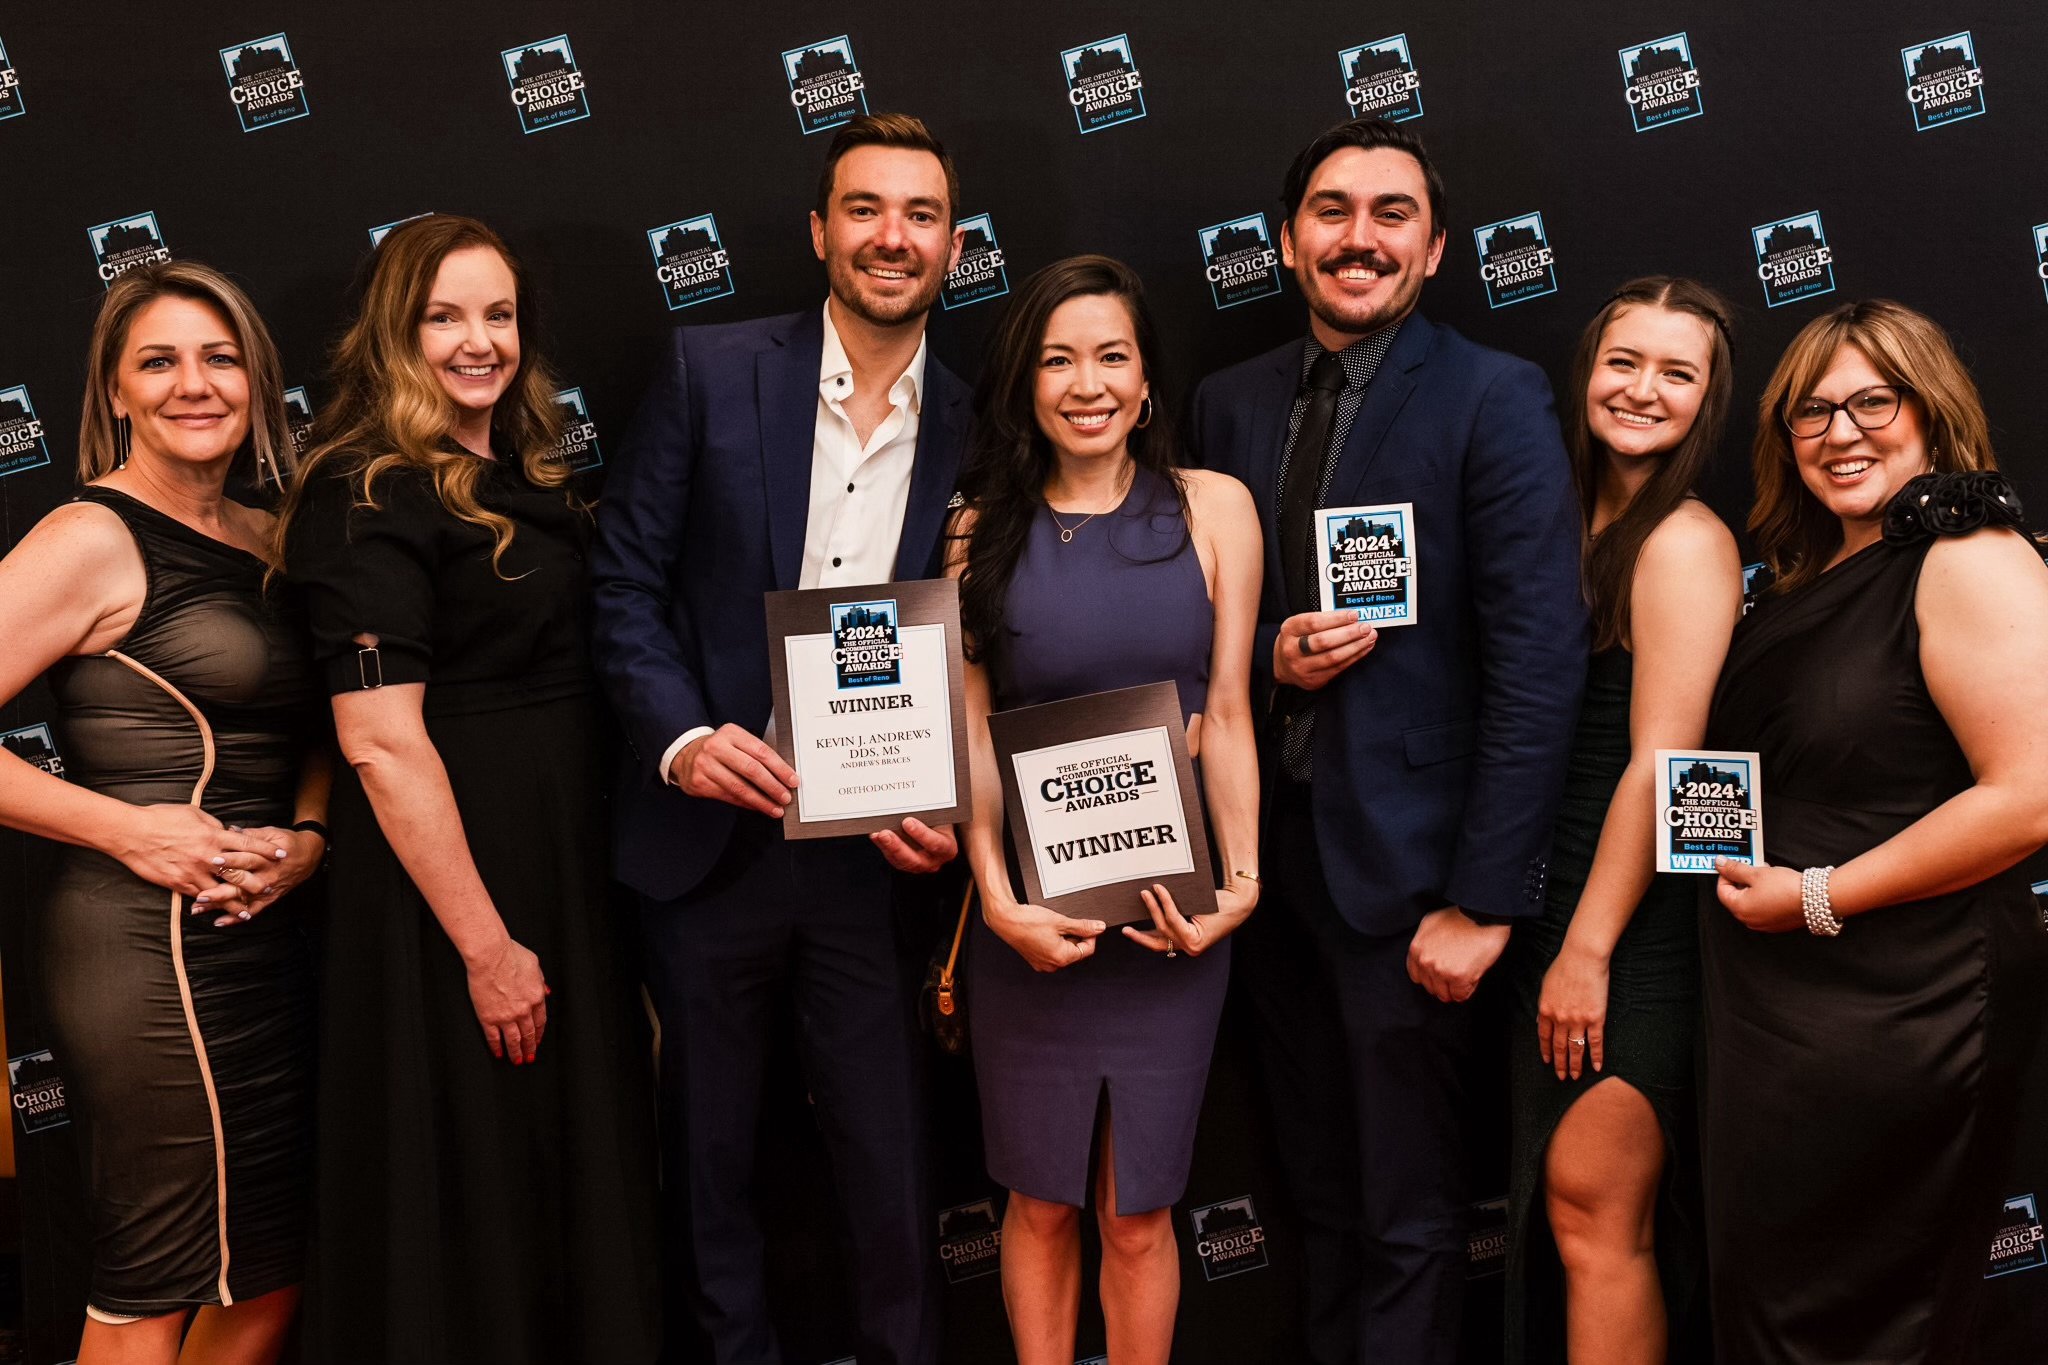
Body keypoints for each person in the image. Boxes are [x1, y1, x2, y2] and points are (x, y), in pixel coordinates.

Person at [1188, 116, 1589, 1365]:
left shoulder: (1491, 395)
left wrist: (1483, 901)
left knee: (1410, 1212)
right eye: (1329, 211)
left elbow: (1536, 661)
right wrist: (1265, 662)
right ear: (1286, 239)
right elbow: (1190, 624)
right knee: (1310, 1191)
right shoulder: (1223, 400)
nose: (1356, 237)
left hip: (1412, 880)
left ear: (1433, 250)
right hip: (1263, 870)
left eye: (1389, 214)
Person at [589, 113, 969, 1364]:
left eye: (917, 215)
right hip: (709, 845)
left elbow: (989, 646)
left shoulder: (976, 425)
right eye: (864, 209)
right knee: (709, 1164)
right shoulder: (710, 372)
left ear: (953, 248)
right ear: (818, 232)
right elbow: (624, 587)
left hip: (874, 857)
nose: (890, 236)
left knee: (890, 1163)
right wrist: (684, 738)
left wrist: (950, 803)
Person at [277, 214, 659, 1364]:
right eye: (442, 316)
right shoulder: (367, 489)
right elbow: (382, 745)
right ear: (395, 333)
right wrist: (486, 949)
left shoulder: (522, 476)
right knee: (475, 1173)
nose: (476, 342)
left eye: (497, 315)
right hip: (454, 898)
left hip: (556, 873)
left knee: (556, 1161)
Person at [1703, 299, 2048, 1363]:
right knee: (1773, 1300)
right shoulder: (1813, 581)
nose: (1839, 433)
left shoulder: (1969, 558)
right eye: (1810, 412)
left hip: (1900, 1000)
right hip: (1777, 1010)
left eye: (1870, 402)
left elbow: (2030, 795)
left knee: (1859, 1321)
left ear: (1928, 411)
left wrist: (1819, 895)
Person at [0, 261, 326, 1365]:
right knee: (159, 1276)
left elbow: (318, 732)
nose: (196, 383)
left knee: (266, 1277)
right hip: (148, 951)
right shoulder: (91, 537)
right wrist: (126, 827)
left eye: (220, 357)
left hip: (268, 939)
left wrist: (310, 836)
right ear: (117, 391)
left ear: (255, 380)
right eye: (160, 361)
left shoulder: (268, 535)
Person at [949, 255, 1262, 1365]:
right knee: (1036, 1204)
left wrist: (1242, 888)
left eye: (1111, 357)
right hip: (1032, 930)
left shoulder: (1212, 507)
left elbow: (1225, 715)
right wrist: (993, 900)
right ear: (1025, 383)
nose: (1086, 383)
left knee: (1135, 1213)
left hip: (1169, 924)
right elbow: (971, 742)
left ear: (1143, 380)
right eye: (1056, 358)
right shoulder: (974, 528)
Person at [1500, 278, 1742, 1365]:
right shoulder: (1550, 509)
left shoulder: (1683, 540)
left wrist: (1587, 949)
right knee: (1571, 1214)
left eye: (1674, 373)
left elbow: (1662, 762)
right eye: (1622, 361)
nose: (1640, 390)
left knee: (1596, 1214)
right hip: (1550, 903)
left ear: (1707, 401)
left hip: (1626, 925)